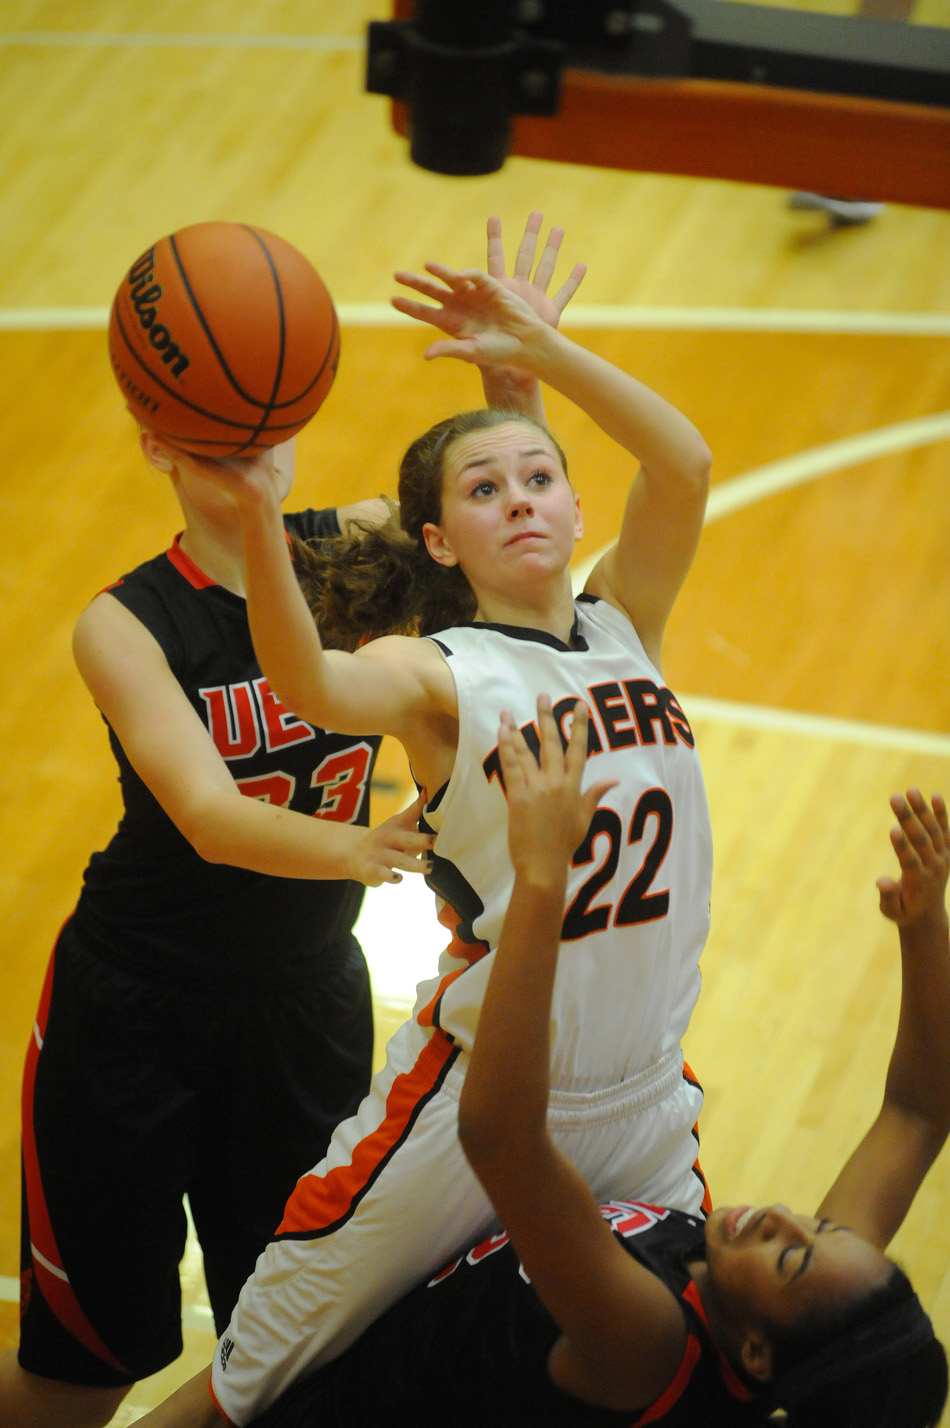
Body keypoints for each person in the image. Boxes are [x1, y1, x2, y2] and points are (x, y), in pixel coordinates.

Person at [159, 220, 716, 1426]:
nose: (517, 501)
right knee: (250, 1382)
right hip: (470, 1110)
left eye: (537, 480)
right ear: (437, 541)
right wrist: (259, 515)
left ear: (573, 506)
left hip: (646, 1102)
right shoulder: (437, 670)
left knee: (669, 1384)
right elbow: (310, 687)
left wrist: (539, 355)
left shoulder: (626, 621)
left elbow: (679, 462)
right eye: (482, 490)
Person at [140, 699, 950, 1428]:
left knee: (220, 1407)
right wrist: (923, 927)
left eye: (794, 1253)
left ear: (760, 1358)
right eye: (822, 1224)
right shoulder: (819, 1298)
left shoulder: (647, 1343)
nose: (786, 1216)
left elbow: (499, 1138)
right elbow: (918, 1114)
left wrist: (540, 880)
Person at [0, 423, 434, 1426]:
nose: (251, 460)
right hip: (130, 1020)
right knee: (83, 1377)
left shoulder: (356, 549)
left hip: (304, 1006)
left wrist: (512, 381)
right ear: (160, 446)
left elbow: (493, 534)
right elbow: (207, 816)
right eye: (217, 443)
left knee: (295, 1352)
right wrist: (362, 849)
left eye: (264, 433)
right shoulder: (126, 623)